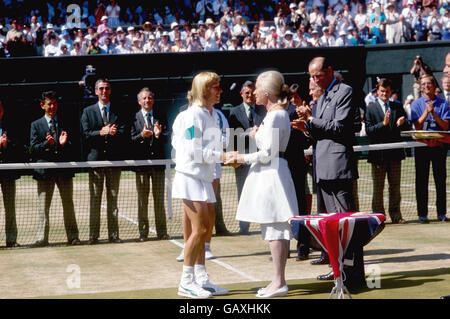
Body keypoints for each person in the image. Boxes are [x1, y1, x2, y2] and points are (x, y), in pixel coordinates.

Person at [231, 70, 298, 298]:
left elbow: (268, 153)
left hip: (273, 175)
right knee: (272, 229)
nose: (255, 92)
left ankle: (279, 282)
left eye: (258, 88)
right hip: (269, 174)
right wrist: (257, 134)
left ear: (267, 92)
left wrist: (241, 158)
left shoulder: (277, 115)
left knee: (276, 228)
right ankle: (278, 280)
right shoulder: (273, 115)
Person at [292, 56, 359, 280]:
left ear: (329, 70)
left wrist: (312, 119)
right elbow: (320, 132)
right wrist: (306, 127)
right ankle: (338, 268)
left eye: (317, 75)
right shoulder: (321, 98)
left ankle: (353, 273)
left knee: (345, 222)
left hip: (338, 166)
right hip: (323, 167)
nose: (314, 80)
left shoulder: (345, 91)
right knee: (331, 223)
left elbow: (340, 127)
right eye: (311, 76)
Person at [172, 71, 229, 299]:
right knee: (198, 231)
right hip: (190, 176)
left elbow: (213, 148)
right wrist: (222, 157)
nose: (220, 91)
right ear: (204, 90)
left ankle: (201, 278)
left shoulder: (213, 115)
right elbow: (193, 151)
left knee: (205, 231)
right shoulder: (192, 116)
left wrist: (223, 157)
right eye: (216, 87)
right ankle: (186, 282)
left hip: (204, 178)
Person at [30, 91, 80, 247]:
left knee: (68, 205)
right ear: (42, 105)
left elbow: (76, 146)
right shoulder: (36, 125)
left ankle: (73, 237)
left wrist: (64, 144)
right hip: (45, 172)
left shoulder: (66, 122)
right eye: (49, 104)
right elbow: (33, 149)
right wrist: (47, 144)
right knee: (43, 207)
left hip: (64, 171)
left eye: (54, 103)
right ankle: (42, 239)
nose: (52, 107)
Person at [81, 79, 126, 245]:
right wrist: (100, 132)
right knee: (95, 200)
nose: (104, 91)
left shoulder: (118, 110)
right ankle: (93, 235)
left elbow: (124, 131)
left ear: (110, 90)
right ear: (96, 91)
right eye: (101, 89)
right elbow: (85, 134)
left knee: (113, 200)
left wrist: (115, 132)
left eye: (107, 88)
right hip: (96, 162)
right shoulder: (87, 111)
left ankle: (113, 235)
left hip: (113, 162)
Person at [364, 78, 410, 224]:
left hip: (395, 153)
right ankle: (378, 217)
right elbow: (369, 131)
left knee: (395, 187)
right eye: (382, 91)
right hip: (378, 155)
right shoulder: (370, 109)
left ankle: (396, 215)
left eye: (387, 91)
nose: (385, 94)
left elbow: (406, 127)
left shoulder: (397, 106)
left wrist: (403, 123)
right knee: (378, 188)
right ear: (377, 92)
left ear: (391, 92)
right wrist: (382, 124)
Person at [130, 88, 170, 242]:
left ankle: (162, 232)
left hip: (158, 166)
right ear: (139, 101)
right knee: (142, 201)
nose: (147, 101)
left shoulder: (161, 117)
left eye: (150, 98)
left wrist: (159, 134)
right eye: (144, 98)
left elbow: (167, 137)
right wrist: (142, 135)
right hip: (141, 167)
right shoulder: (134, 118)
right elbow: (131, 140)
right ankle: (143, 233)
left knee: (159, 200)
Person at [228, 80, 267, 234]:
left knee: (262, 192)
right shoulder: (234, 112)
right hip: (243, 159)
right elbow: (233, 137)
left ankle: (265, 224)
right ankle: (244, 227)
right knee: (243, 193)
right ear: (242, 94)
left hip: (260, 158)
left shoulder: (263, 110)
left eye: (252, 93)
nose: (250, 96)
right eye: (247, 93)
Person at [410, 74, 449, 223]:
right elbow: (417, 126)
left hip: (439, 146)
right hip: (422, 146)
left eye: (429, 84)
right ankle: (422, 214)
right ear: (420, 87)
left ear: (434, 86)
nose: (426, 86)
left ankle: (441, 213)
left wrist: (434, 113)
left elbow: (445, 125)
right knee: (421, 180)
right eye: (424, 84)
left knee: (440, 180)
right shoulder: (416, 104)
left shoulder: (443, 104)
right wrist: (426, 112)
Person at [0, 100, 21, 247]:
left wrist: (8, 144)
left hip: (7, 172)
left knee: (10, 207)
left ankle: (11, 240)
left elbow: (20, 146)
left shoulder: (11, 126)